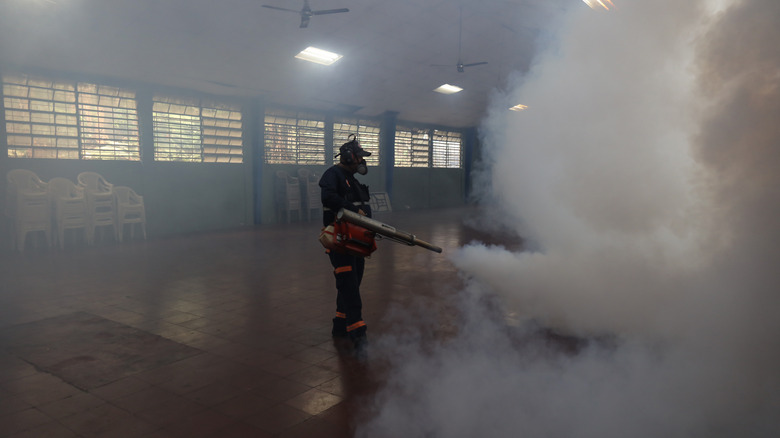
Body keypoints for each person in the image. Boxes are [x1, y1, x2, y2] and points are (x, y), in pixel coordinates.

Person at [319, 135, 372, 353]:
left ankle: (340, 325)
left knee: (353, 279)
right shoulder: (333, 175)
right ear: (349, 156)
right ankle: (357, 332)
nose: (362, 161)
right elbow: (329, 198)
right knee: (348, 283)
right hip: (340, 240)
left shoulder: (352, 178)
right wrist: (350, 208)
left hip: (355, 239)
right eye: (359, 157)